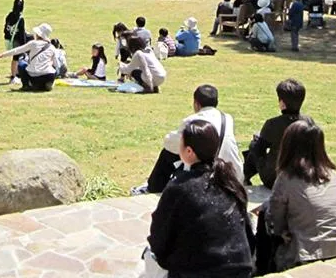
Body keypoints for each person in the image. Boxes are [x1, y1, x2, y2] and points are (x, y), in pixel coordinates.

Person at [146, 119, 254, 278]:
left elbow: (158, 238)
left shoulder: (180, 187)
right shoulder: (231, 182)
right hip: (240, 271)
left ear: (189, 151)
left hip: (198, 273)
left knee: (150, 257)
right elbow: (247, 235)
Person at [263, 120, 336, 273]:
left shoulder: (287, 178)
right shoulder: (332, 174)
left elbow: (275, 219)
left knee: (265, 212)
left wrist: (281, 232)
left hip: (309, 253)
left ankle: (261, 268)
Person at [131, 85, 244, 195]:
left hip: (204, 175)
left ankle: (154, 187)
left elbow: (171, 144)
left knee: (168, 153)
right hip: (232, 174)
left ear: (196, 103)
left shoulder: (193, 121)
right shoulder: (227, 118)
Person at [244, 79, 311, 189]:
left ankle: (245, 177)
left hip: (274, 179)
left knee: (254, 145)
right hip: (301, 176)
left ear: (282, 103)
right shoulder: (309, 122)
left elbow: (260, 149)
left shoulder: (273, 124)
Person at [0, 23, 57, 92]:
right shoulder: (52, 47)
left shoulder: (33, 43)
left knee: (21, 63)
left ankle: (26, 85)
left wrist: (3, 54)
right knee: (51, 69)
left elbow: (17, 50)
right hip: (49, 75)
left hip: (35, 76)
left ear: (38, 34)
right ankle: (47, 84)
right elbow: (56, 64)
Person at [3, 0, 26, 82]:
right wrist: (24, 44)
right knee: (15, 58)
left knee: (15, 58)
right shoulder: (20, 19)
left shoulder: (9, 15)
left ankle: (15, 74)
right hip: (16, 40)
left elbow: (6, 28)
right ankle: (13, 76)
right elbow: (21, 33)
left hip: (9, 39)